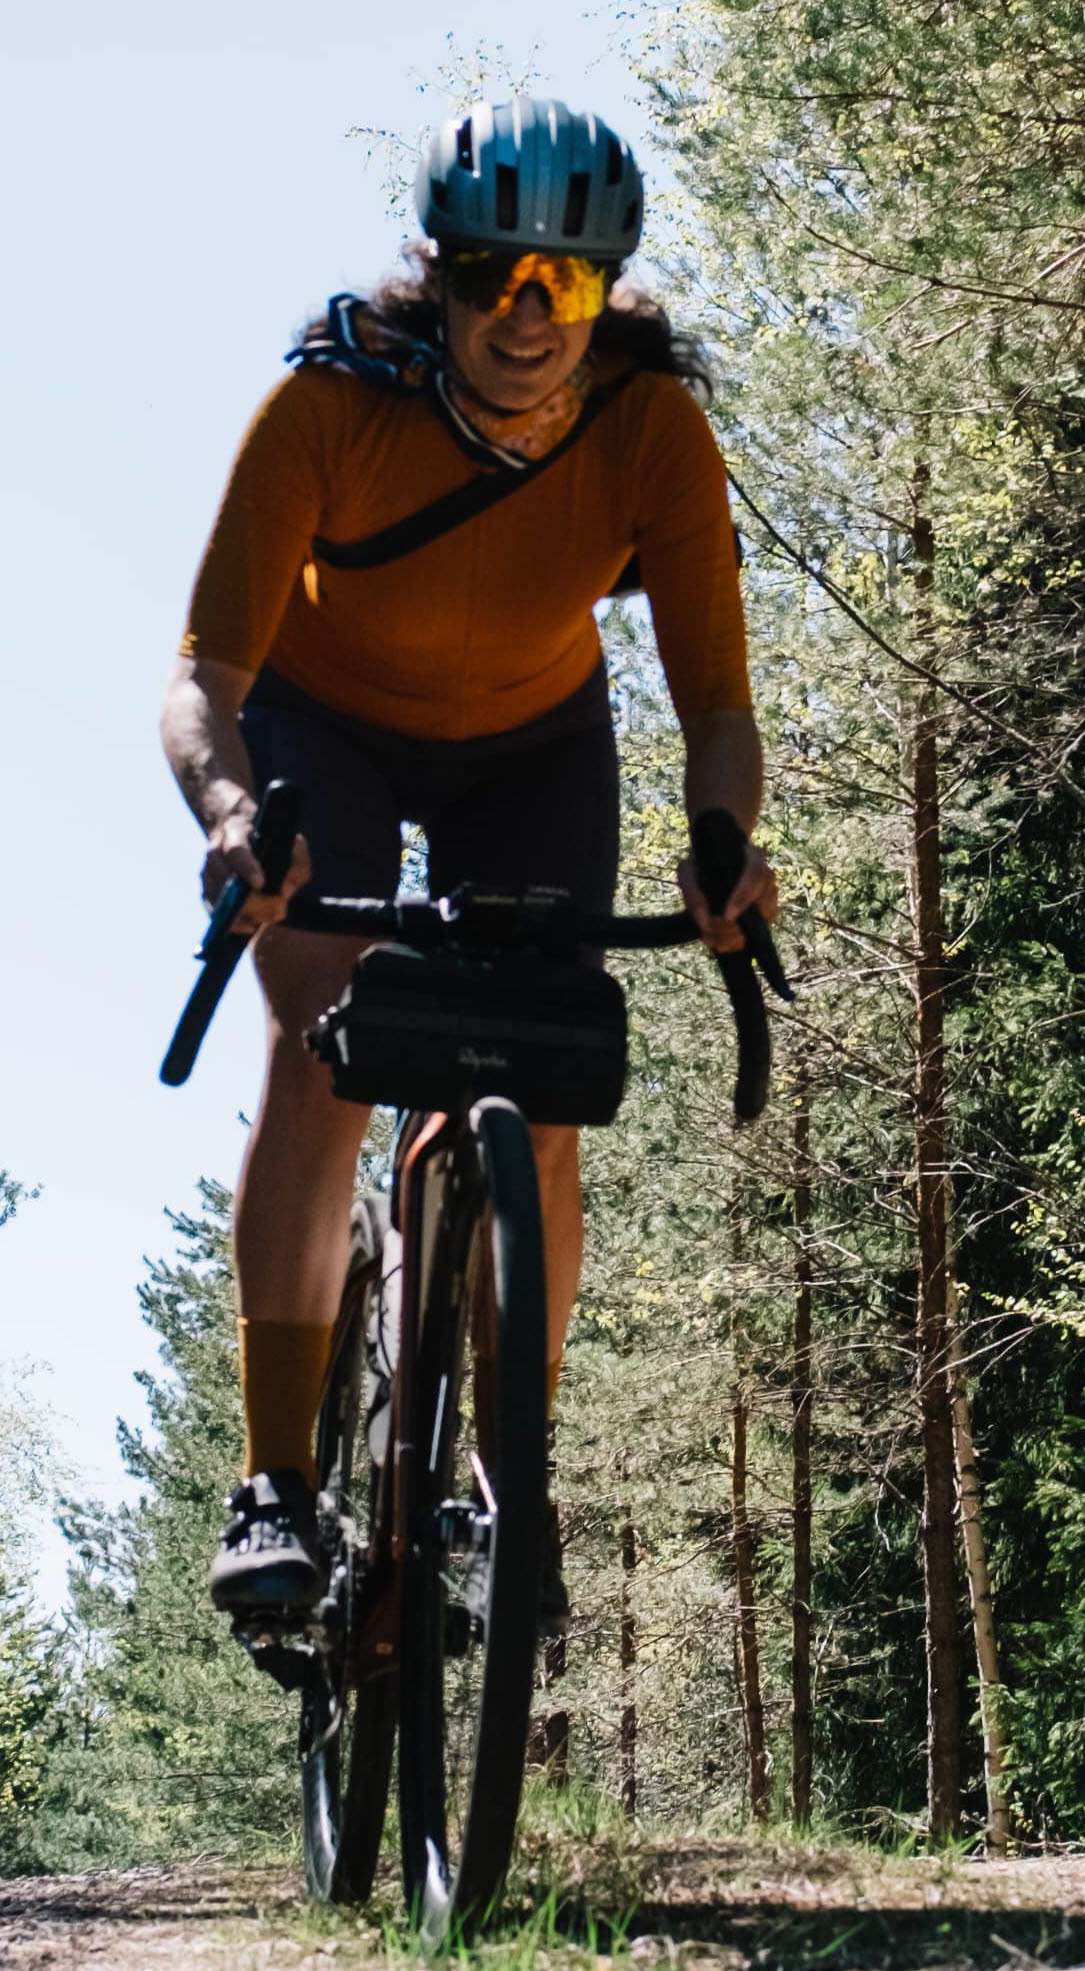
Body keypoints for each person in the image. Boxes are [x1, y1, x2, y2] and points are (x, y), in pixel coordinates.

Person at [161, 99, 773, 1623]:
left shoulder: (651, 429)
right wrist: (233, 819)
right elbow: (201, 680)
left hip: (529, 744)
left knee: (542, 1092)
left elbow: (714, 705)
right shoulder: (324, 409)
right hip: (325, 726)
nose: (523, 315)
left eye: (560, 285)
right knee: (325, 1051)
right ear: (435, 273)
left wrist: (723, 849)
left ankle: (505, 1488)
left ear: (604, 290)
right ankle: (275, 1484)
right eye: (495, 274)